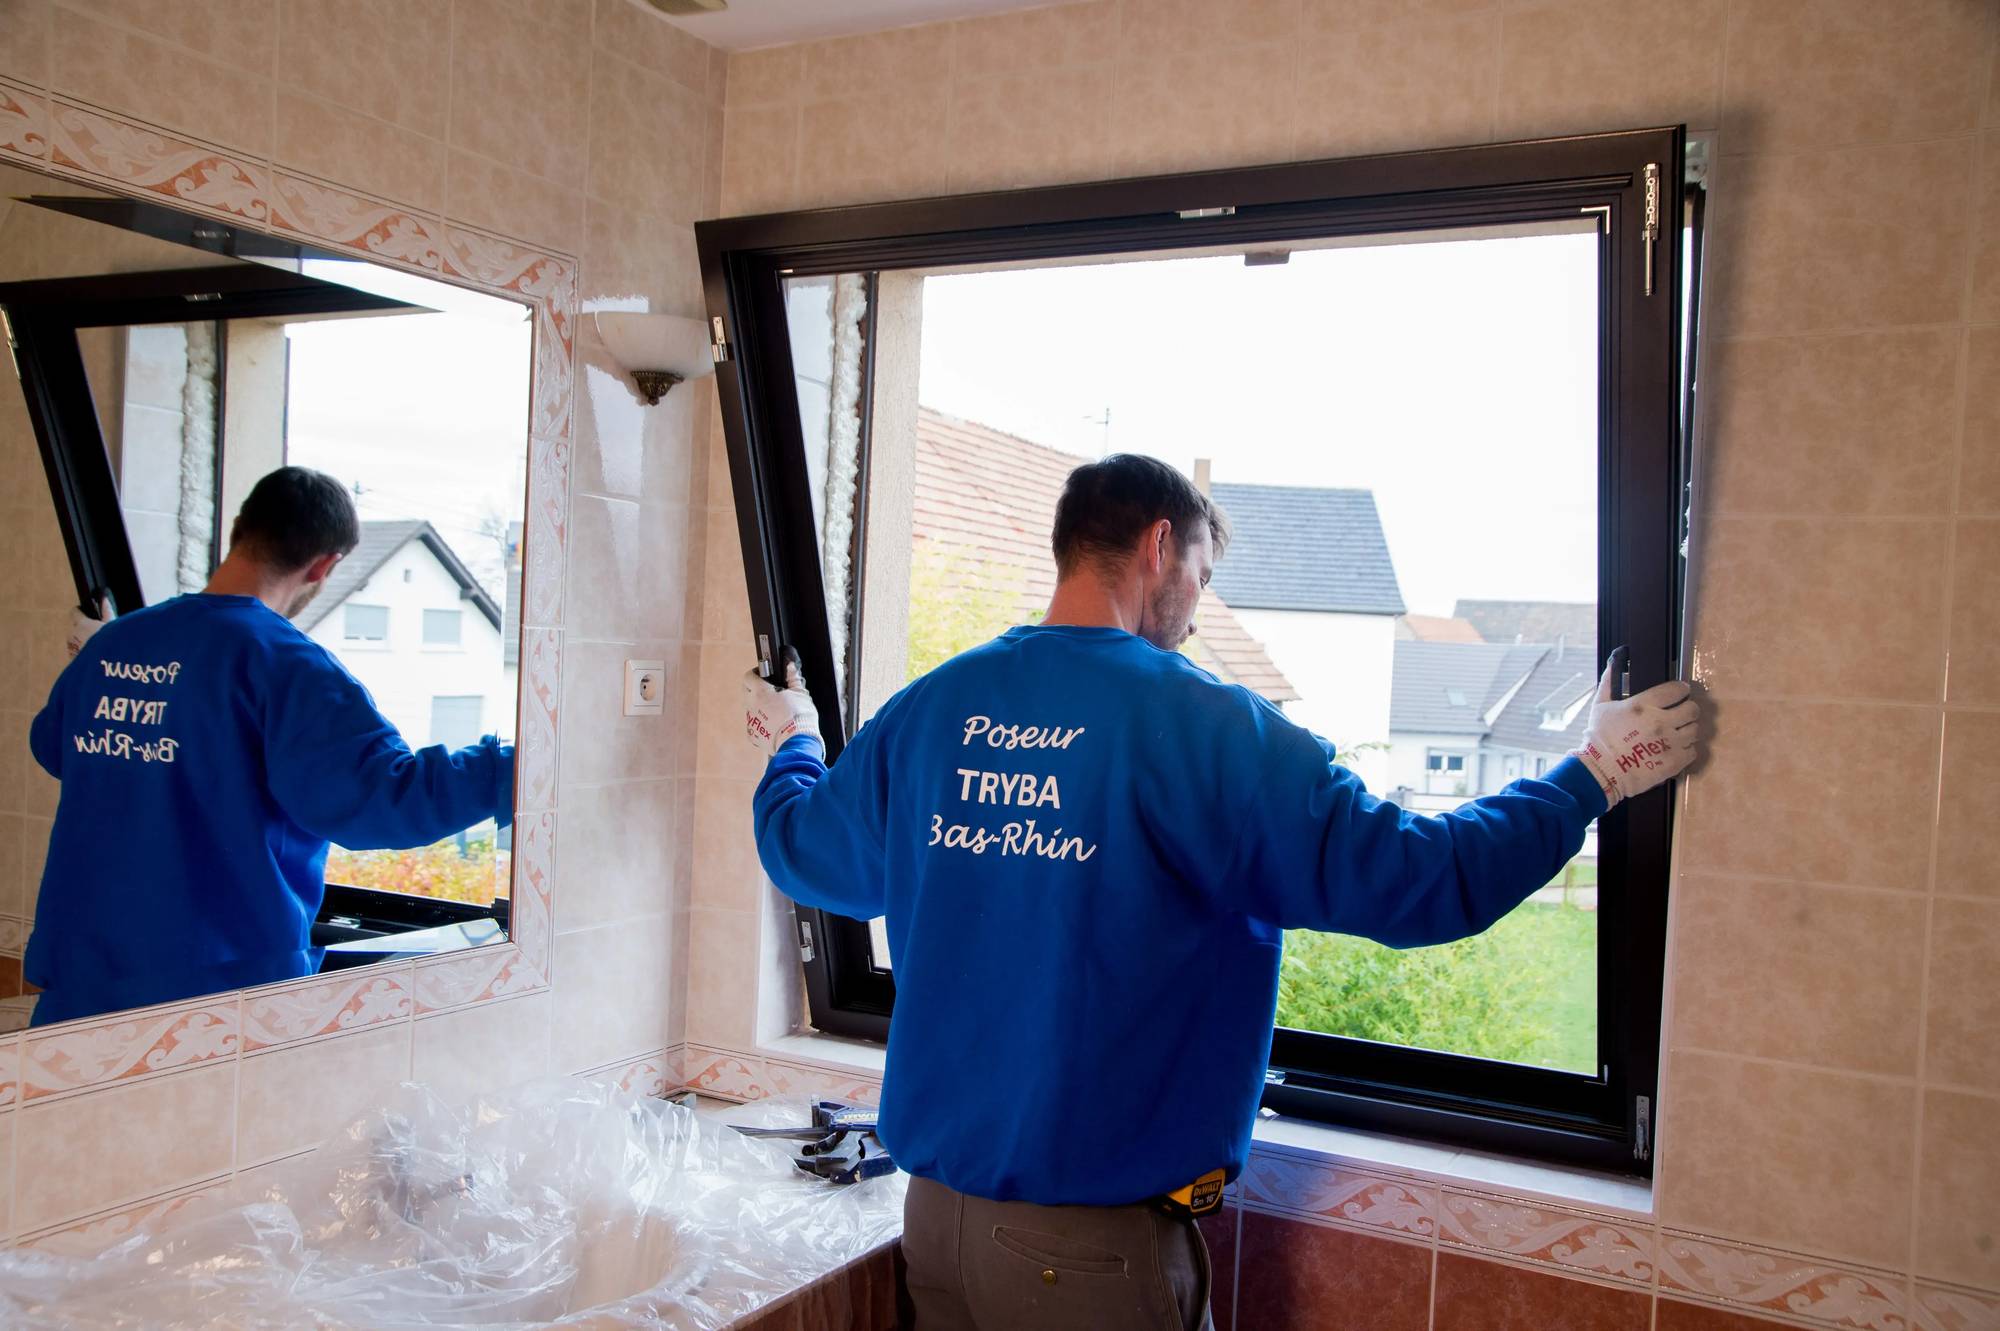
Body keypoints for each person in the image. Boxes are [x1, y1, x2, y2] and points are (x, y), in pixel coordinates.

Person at [742, 454, 1701, 1331]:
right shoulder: (1211, 731)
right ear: (1162, 546)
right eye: (1202, 575)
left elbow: (801, 850)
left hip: (933, 1229)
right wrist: (1594, 776)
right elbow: (1422, 880)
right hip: (1084, 1264)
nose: (1198, 610)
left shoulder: (929, 713)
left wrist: (793, 737)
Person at [25, 466, 515, 1026]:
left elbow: (53, 746)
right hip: (213, 994)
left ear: (239, 528)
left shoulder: (114, 641)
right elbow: (384, 801)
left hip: (80, 983)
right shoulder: (287, 666)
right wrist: (512, 767)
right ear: (325, 564)